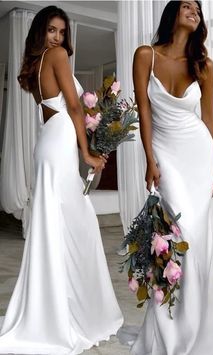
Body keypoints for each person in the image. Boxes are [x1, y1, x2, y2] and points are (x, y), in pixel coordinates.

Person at [0, 5, 123, 354]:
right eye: (51, 30)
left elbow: (65, 108)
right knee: (75, 221)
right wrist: (86, 153)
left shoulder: (34, 65)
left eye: (62, 32)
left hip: (49, 141)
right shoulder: (55, 56)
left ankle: (57, 305)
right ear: (40, 32)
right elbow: (73, 106)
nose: (57, 37)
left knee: (59, 222)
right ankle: (69, 311)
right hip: (59, 140)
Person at [129, 1, 213, 354]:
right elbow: (143, 109)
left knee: (196, 244)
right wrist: (150, 159)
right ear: (172, 13)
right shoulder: (146, 55)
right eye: (187, 5)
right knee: (173, 241)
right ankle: (169, 332)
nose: (194, 10)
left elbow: (209, 116)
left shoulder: (204, 65)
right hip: (166, 157)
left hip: (199, 155)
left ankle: (198, 331)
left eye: (198, 9)